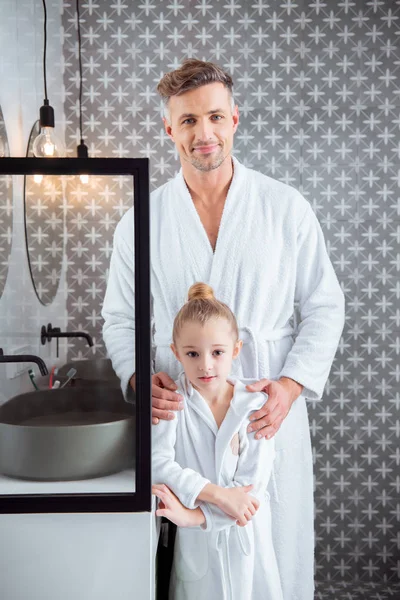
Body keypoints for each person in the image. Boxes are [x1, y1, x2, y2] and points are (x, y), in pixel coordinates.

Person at [102, 59, 345, 599]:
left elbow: (325, 306)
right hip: (184, 417)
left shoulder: (285, 208)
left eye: (215, 116)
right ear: (169, 129)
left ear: (235, 119)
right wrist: (141, 380)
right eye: (188, 121)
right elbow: (120, 318)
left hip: (265, 409)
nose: (203, 133)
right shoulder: (143, 218)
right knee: (193, 555)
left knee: (274, 537)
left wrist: (291, 386)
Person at [152, 282, 283, 599]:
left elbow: (251, 492)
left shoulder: (254, 406)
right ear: (175, 353)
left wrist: (196, 516)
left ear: (236, 350)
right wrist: (219, 495)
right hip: (198, 546)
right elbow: (157, 465)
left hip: (245, 535)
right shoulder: (173, 403)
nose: (205, 364)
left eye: (218, 352)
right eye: (192, 353)